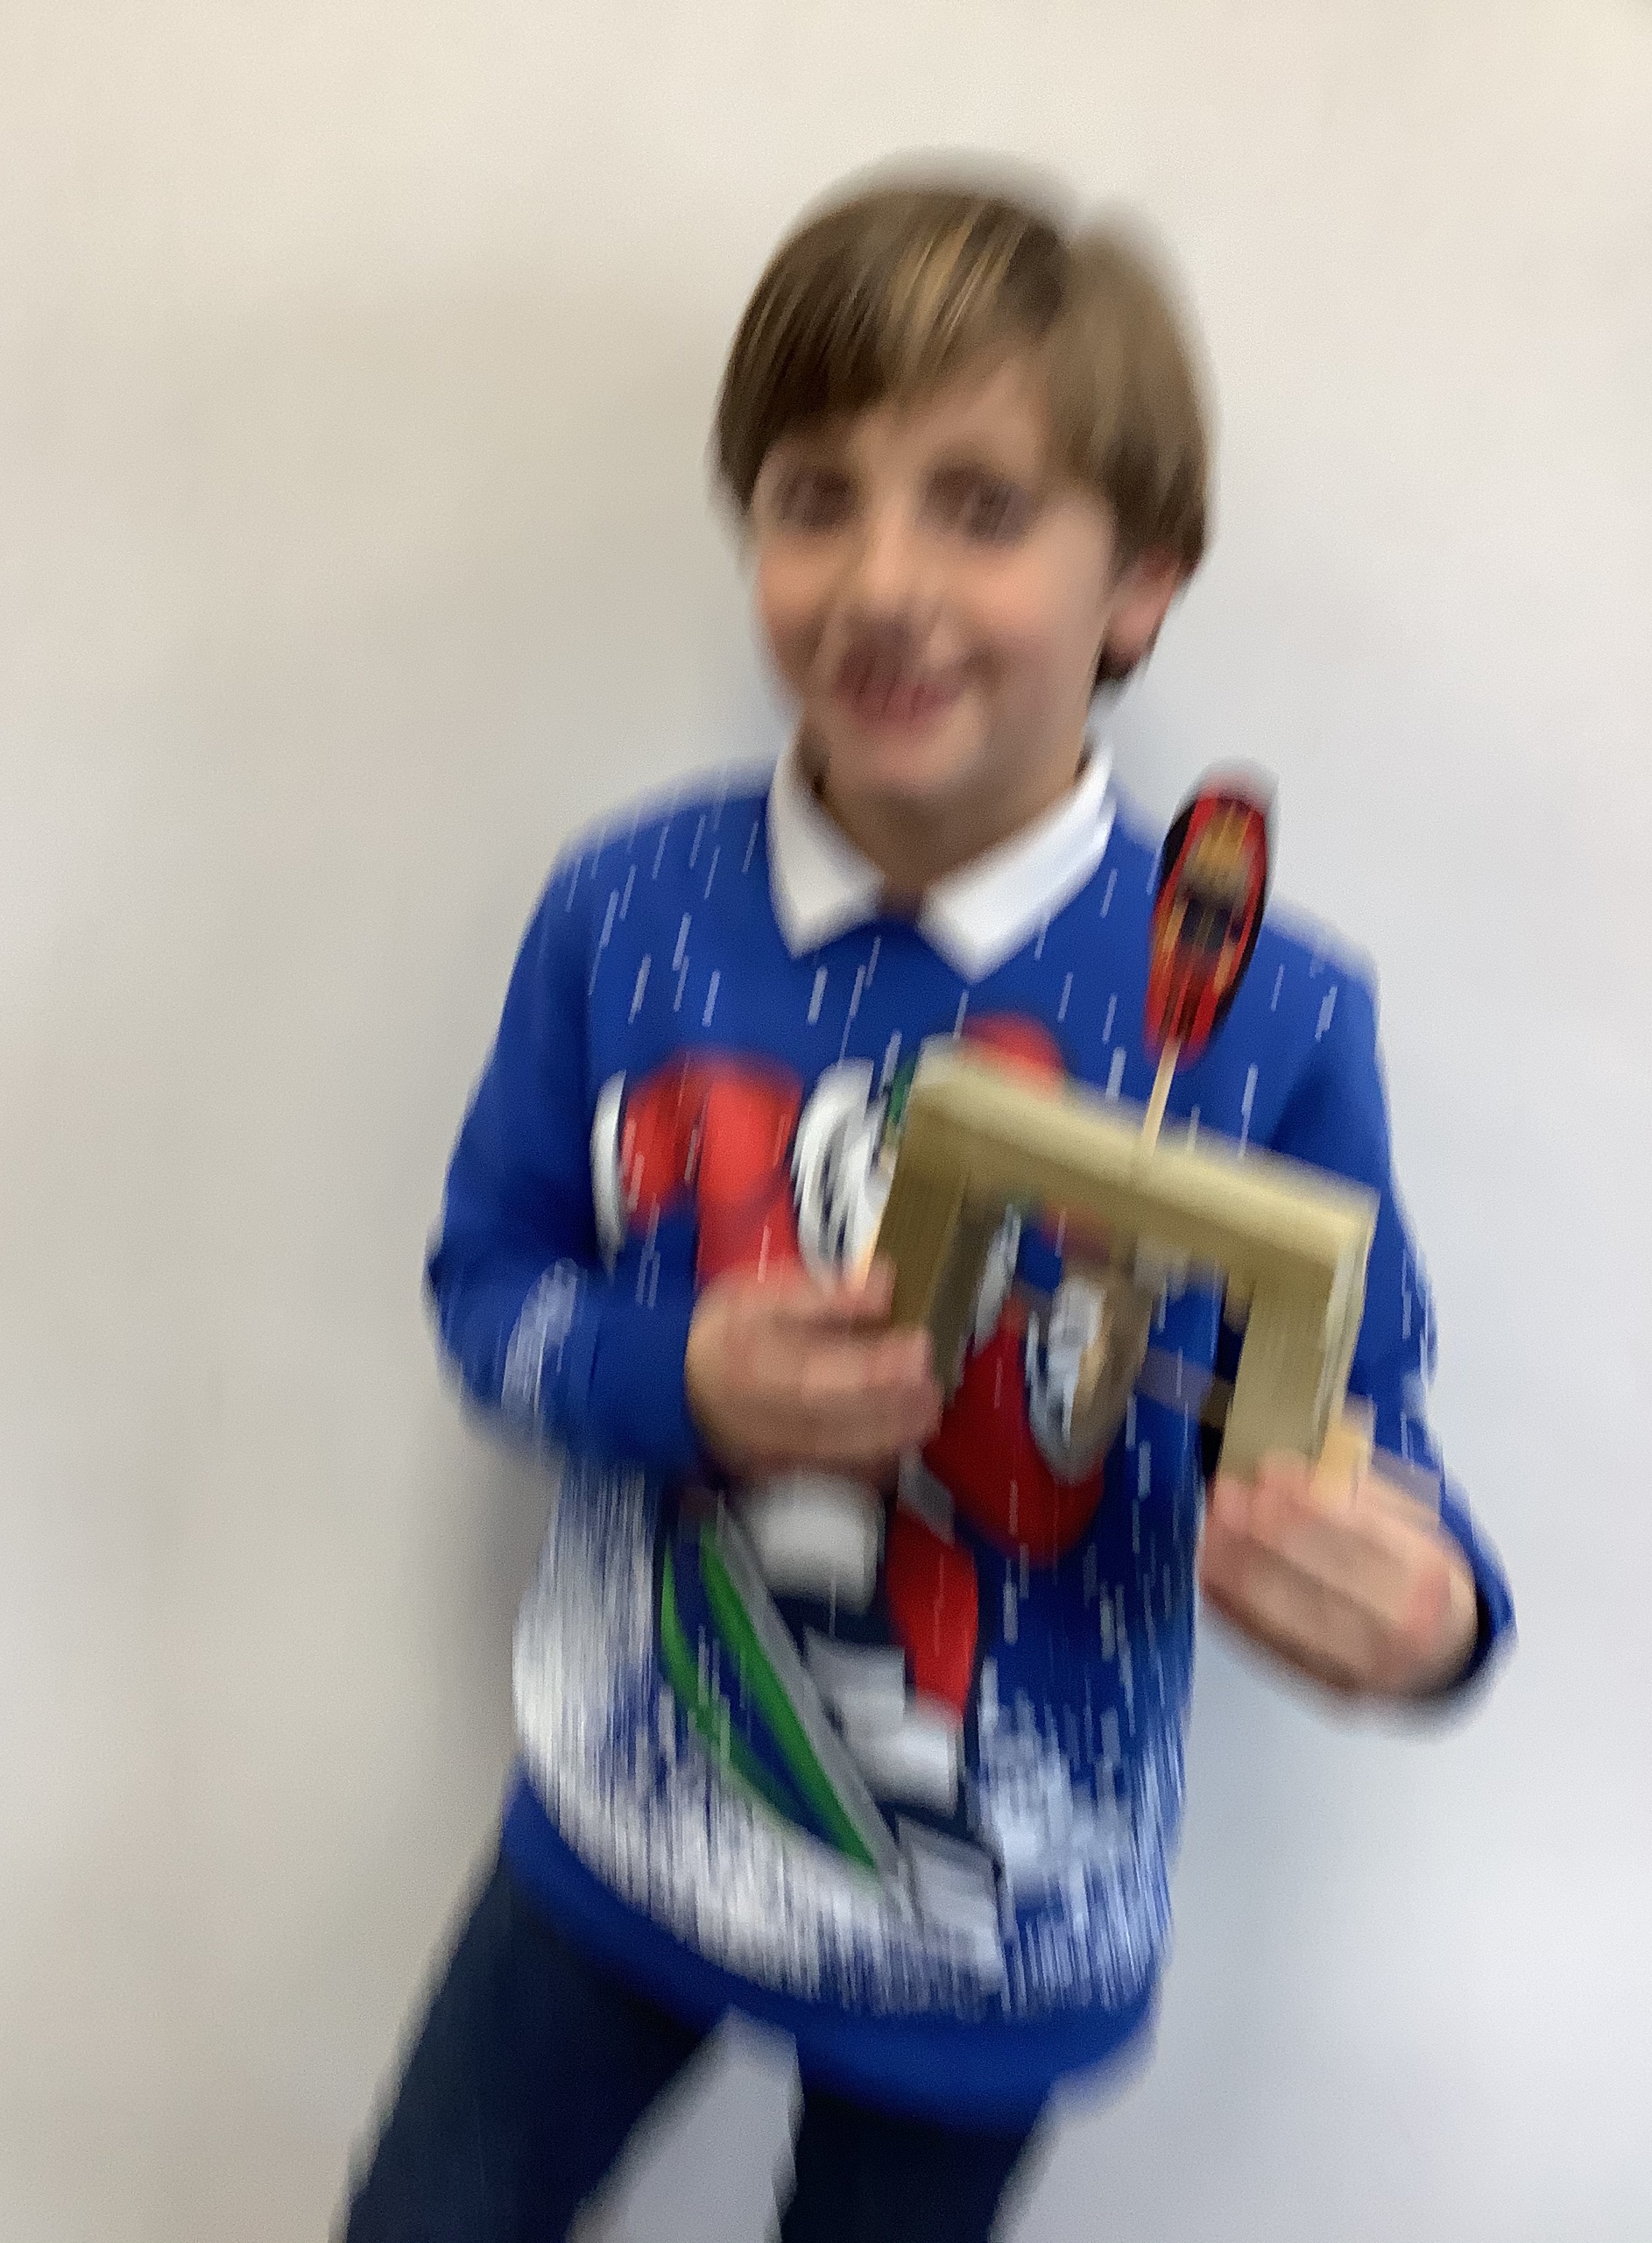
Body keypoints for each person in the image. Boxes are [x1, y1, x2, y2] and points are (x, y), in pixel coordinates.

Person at [341, 170, 1514, 2243]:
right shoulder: (623, 904)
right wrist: (672, 1373)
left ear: (1137, 586)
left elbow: (1361, 1420)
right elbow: (487, 1289)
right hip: (618, 1827)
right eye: (818, 497)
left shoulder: (1277, 1015)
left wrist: (1433, 1618)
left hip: (994, 1931)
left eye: (980, 505)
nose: (884, 579)